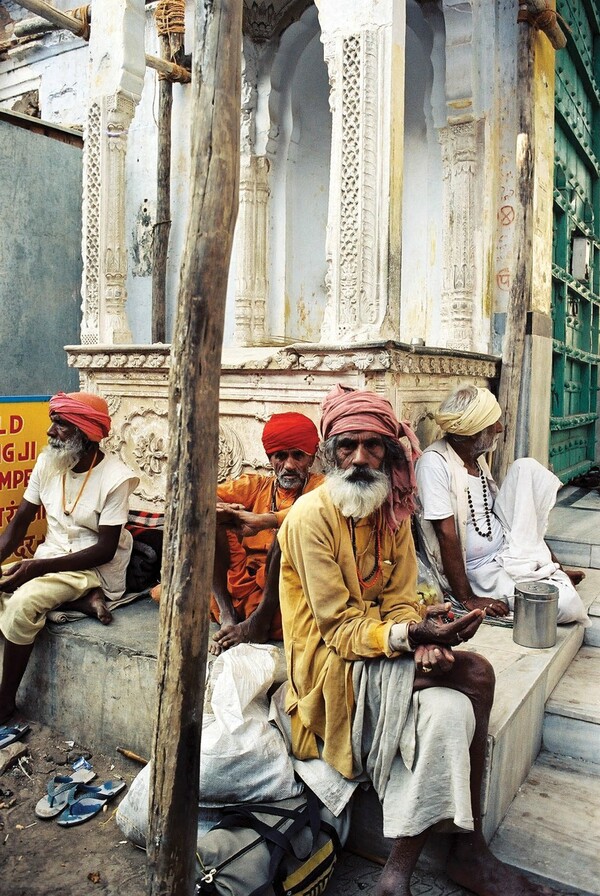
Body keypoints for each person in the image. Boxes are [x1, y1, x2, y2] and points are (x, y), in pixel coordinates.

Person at [278, 384, 556, 896]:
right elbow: (339, 630)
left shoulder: (391, 511)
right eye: (346, 445)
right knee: (477, 673)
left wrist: (421, 639)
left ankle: (396, 876)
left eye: (373, 445)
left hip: (378, 651)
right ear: (329, 451)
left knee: (452, 713)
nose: (360, 458)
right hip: (328, 670)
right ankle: (469, 855)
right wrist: (412, 635)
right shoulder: (309, 518)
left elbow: (402, 598)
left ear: (389, 453)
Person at [0, 391, 139, 725]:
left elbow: (105, 549)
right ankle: (82, 604)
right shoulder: (49, 460)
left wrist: (36, 568)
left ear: (87, 434)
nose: (50, 432)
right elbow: (18, 525)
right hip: (51, 557)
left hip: (91, 565)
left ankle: (5, 704)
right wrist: (29, 564)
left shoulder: (116, 477)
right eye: (53, 422)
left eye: (61, 425)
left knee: (22, 604)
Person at [415, 384, 588, 624]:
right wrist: (467, 598)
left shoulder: (474, 457)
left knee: (525, 468)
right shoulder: (433, 465)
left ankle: (552, 569)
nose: (500, 428)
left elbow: (505, 514)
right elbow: (446, 535)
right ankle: (547, 578)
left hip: (505, 549)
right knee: (567, 605)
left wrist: (554, 565)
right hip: (481, 571)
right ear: (474, 433)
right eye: (492, 424)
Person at [210, 411, 323, 654]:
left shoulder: (322, 487)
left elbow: (319, 511)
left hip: (288, 587)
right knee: (210, 518)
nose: (290, 465)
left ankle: (258, 622)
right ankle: (227, 614)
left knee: (288, 532)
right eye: (281, 456)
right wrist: (224, 509)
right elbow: (201, 495)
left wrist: (265, 521)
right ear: (270, 458)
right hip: (243, 581)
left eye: (298, 456)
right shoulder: (256, 486)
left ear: (311, 458)